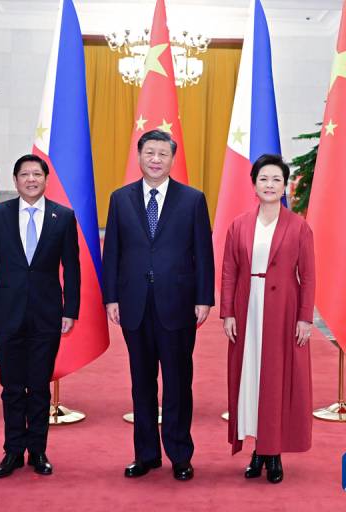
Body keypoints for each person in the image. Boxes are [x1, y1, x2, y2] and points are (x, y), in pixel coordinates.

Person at [102, 130, 214, 481]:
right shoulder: (120, 199)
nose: (155, 159)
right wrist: (112, 297)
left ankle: (180, 454)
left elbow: (203, 254)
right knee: (142, 383)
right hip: (135, 304)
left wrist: (203, 298)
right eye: (149, 152)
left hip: (178, 304)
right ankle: (146, 454)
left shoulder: (192, 199)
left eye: (162, 154)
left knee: (179, 382)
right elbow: (113, 253)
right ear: (139, 156)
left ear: (172, 158)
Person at [0, 154, 80, 478]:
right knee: (10, 386)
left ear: (46, 179)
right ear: (16, 179)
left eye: (37, 174)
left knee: (38, 386)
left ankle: (37, 450)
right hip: (7, 313)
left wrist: (70, 310)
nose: (31, 180)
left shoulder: (62, 217)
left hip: (47, 315)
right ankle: (12, 451)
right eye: (25, 174)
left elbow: (72, 268)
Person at [220, 154, 315, 484]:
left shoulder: (299, 226)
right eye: (264, 179)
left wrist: (305, 318)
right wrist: (228, 312)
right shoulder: (239, 224)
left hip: (284, 311)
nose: (270, 185)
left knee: (276, 379)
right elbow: (230, 271)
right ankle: (256, 450)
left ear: (285, 185)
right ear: (254, 184)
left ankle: (273, 454)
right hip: (248, 307)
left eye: (276, 179)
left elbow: (309, 277)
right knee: (250, 377)